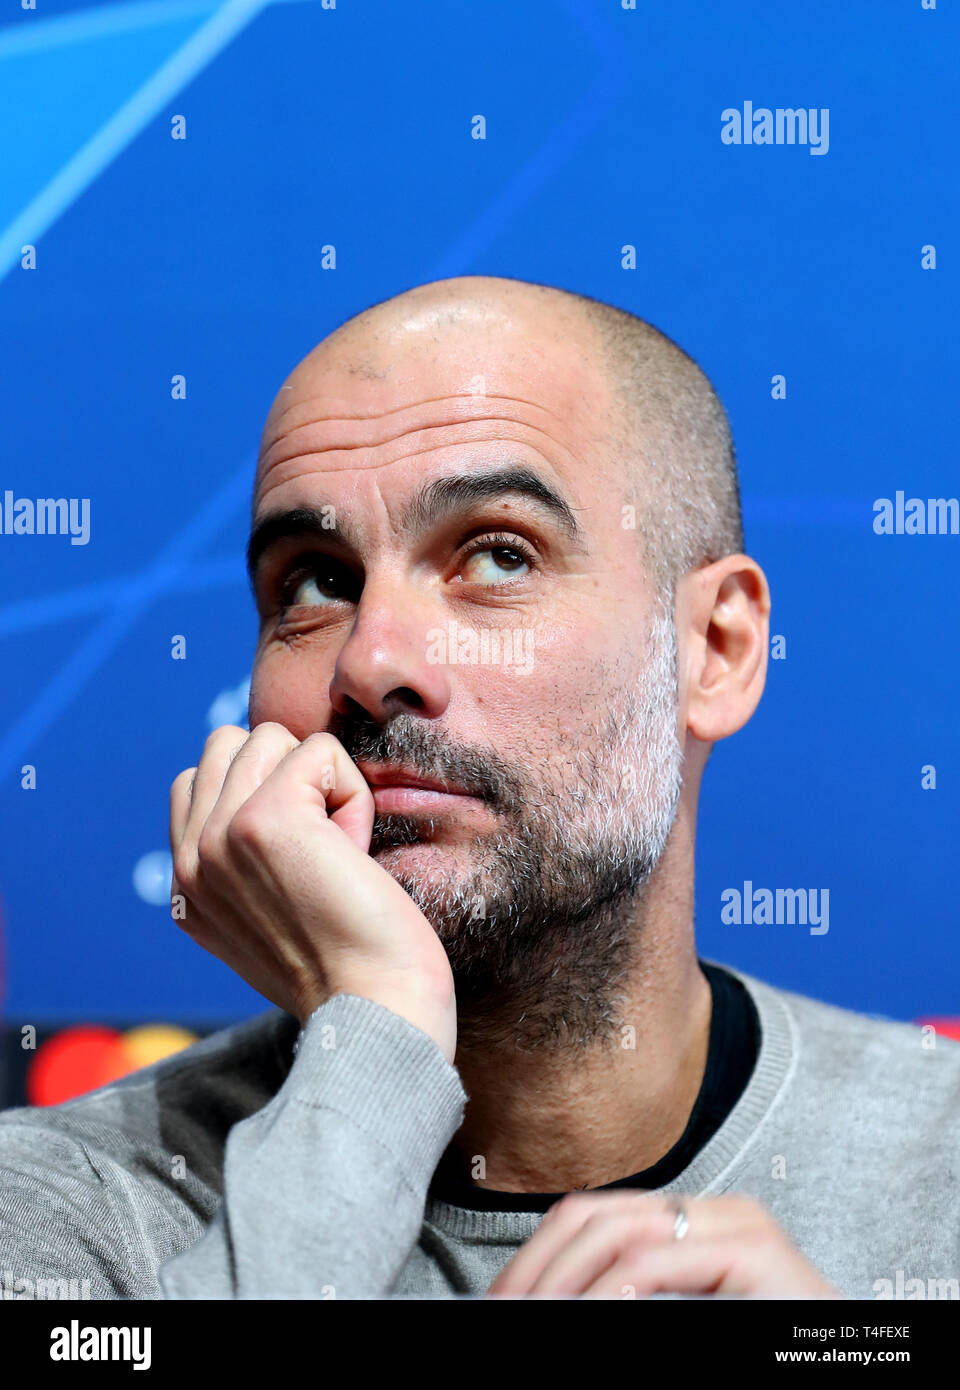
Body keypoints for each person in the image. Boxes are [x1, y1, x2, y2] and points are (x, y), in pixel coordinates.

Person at [1, 276, 957, 1300]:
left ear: (714, 649)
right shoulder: (61, 1206)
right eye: (315, 579)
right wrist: (382, 1021)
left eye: (497, 555)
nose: (370, 661)